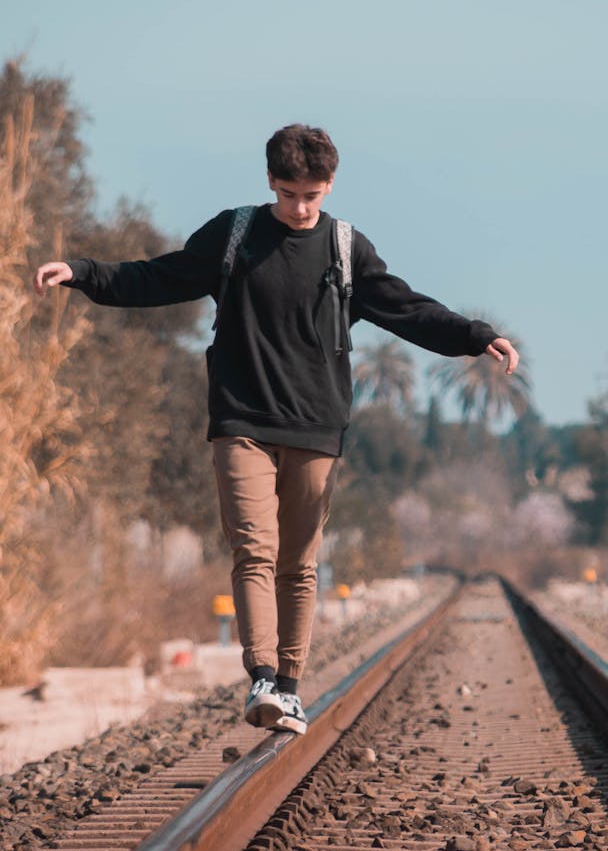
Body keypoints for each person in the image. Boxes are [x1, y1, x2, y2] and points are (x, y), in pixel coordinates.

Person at [33, 124, 520, 734]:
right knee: (254, 551)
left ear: (330, 186)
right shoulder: (234, 234)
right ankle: (262, 678)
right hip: (241, 420)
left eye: (312, 195)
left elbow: (407, 309)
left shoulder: (345, 249)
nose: (300, 208)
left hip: (316, 426)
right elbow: (159, 277)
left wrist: (476, 336)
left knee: (299, 563)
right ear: (270, 181)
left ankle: (289, 686)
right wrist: (82, 272)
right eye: (289, 194)